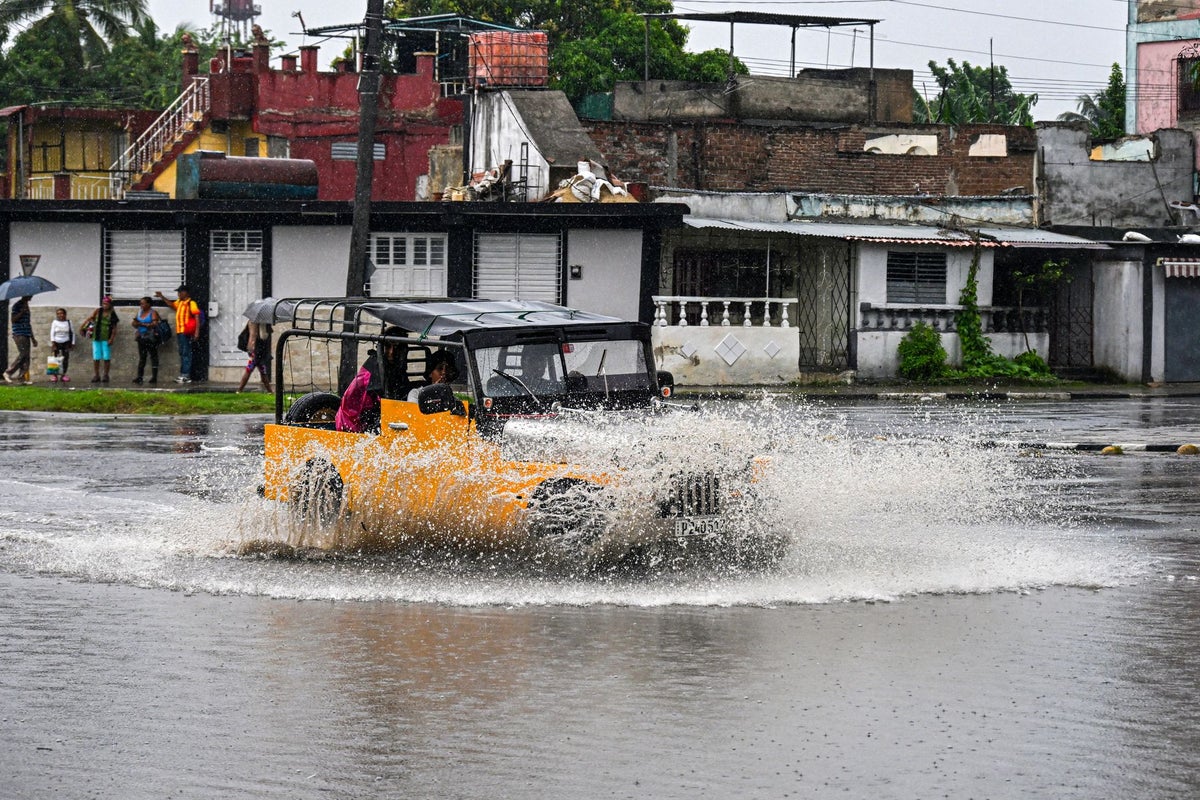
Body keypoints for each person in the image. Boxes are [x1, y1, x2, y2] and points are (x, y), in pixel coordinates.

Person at [335, 327, 406, 433]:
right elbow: (373, 404)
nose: (391, 352)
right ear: (381, 347)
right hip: (351, 423)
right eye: (388, 347)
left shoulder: (393, 366)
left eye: (396, 348)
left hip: (366, 416)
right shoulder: (375, 368)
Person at [155, 285, 201, 384]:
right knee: (182, 352)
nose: (179, 294)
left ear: (186, 293)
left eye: (181, 292)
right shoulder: (179, 302)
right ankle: (183, 374)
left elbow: (197, 316)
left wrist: (197, 332)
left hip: (186, 331)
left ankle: (185, 375)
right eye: (178, 292)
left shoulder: (191, 303)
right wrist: (162, 297)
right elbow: (171, 305)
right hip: (180, 331)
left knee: (186, 353)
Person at [81, 297, 119, 384]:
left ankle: (106, 374)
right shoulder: (98, 311)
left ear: (110, 305)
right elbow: (91, 319)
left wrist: (111, 338)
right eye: (103, 303)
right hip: (96, 337)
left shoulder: (112, 314)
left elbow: (114, 328)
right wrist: (83, 327)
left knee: (106, 357)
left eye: (106, 304)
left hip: (106, 337)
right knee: (96, 357)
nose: (104, 305)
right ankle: (96, 375)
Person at [4, 295, 36, 384]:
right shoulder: (17, 305)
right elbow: (13, 320)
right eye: (30, 295)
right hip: (19, 333)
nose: (32, 296)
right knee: (23, 354)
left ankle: (22, 378)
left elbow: (28, 323)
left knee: (26, 356)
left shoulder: (26, 306)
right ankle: (8, 372)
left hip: (26, 333)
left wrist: (33, 338)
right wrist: (22, 312)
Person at [131, 296, 162, 384]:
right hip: (141, 337)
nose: (141, 305)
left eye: (143, 303)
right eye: (140, 304)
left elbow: (155, 324)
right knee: (142, 357)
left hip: (151, 338)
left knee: (153, 356)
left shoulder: (153, 313)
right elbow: (134, 323)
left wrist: (141, 324)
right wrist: (135, 324)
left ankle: (154, 377)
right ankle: (140, 377)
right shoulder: (140, 312)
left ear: (148, 304)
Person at [236, 322, 272, 393]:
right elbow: (255, 336)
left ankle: (270, 391)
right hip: (256, 351)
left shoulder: (259, 322)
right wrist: (251, 351)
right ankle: (239, 390)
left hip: (259, 351)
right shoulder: (254, 322)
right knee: (253, 370)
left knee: (261, 371)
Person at [48, 308, 76, 383]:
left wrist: (73, 343)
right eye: (58, 314)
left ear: (65, 314)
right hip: (56, 342)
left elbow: (72, 333)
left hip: (66, 342)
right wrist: (53, 342)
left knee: (65, 359)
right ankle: (54, 375)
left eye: (62, 313)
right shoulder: (55, 322)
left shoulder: (69, 322)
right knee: (55, 359)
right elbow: (52, 333)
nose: (60, 315)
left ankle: (63, 375)